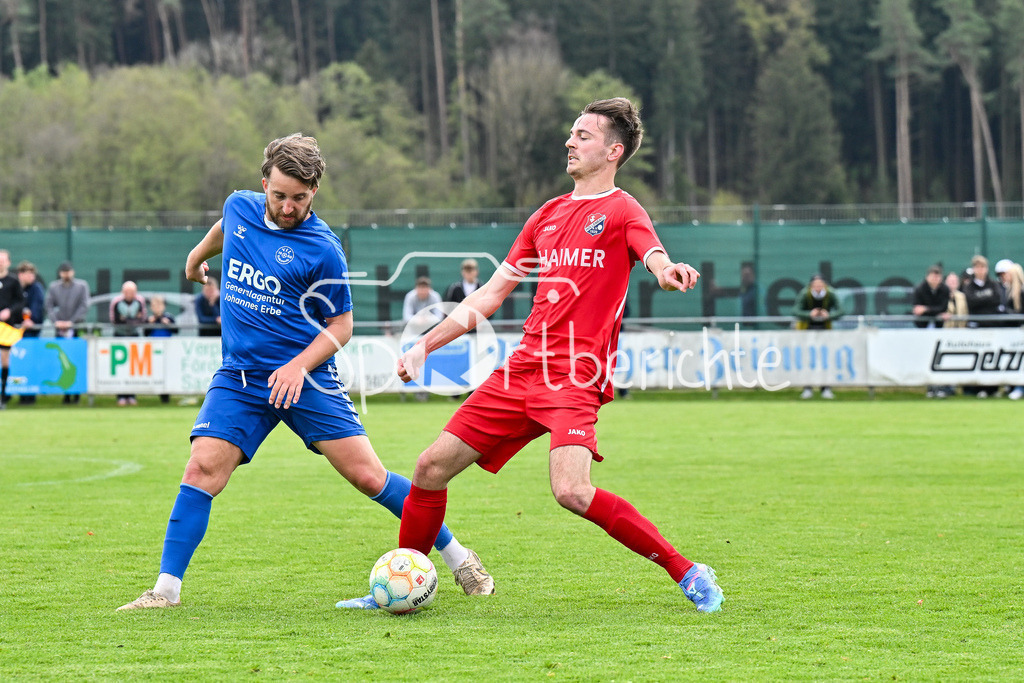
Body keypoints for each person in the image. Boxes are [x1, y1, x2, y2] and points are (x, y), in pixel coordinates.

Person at [348, 99, 723, 613]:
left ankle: (688, 571)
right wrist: (424, 344)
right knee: (430, 468)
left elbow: (652, 254)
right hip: (522, 369)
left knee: (572, 491)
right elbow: (489, 295)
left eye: (584, 135)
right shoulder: (546, 215)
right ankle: (403, 586)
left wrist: (666, 270)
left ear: (613, 151)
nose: (570, 141)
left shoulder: (623, 210)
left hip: (575, 376)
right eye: (571, 133)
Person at [118, 133, 492, 612]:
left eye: (299, 197)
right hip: (241, 378)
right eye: (279, 195)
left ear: (314, 190)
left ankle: (460, 558)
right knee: (201, 469)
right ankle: (164, 592)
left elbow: (343, 326)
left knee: (369, 477)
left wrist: (297, 366)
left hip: (308, 380)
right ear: (264, 184)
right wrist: (195, 259)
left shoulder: (323, 249)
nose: (288, 207)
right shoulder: (240, 207)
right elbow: (224, 228)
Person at [792, 273, 845, 399]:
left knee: (825, 359)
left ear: (824, 285)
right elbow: (795, 311)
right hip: (807, 329)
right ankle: (807, 388)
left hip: (825, 329)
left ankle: (826, 388)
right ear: (811, 285)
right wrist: (810, 314)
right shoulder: (805, 294)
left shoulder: (830, 294)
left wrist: (828, 315)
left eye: (820, 284)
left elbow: (841, 311)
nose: (818, 287)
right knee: (808, 359)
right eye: (815, 285)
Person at [45, 261, 90, 404]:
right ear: (60, 273)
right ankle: (66, 393)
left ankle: (77, 392)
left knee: (77, 360)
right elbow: (49, 306)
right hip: (60, 329)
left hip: (76, 329)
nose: (66, 275)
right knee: (62, 361)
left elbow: (84, 306)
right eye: (64, 272)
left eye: (68, 272)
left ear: (73, 272)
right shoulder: (54, 287)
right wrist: (57, 322)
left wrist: (72, 322)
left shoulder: (81, 286)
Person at [961, 255, 1003, 397]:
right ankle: (979, 388)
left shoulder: (993, 284)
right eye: (978, 267)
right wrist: (986, 298)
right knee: (979, 358)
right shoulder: (969, 286)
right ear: (974, 269)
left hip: (992, 327)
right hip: (977, 328)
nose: (980, 270)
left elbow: (996, 300)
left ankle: (993, 389)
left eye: (983, 267)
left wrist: (981, 299)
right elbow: (971, 302)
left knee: (993, 357)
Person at [911, 265, 951, 398]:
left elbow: (943, 308)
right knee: (927, 358)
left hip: (940, 329)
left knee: (939, 359)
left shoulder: (944, 289)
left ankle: (940, 387)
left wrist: (926, 309)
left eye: (938, 276)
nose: (935, 279)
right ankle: (930, 387)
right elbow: (917, 310)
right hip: (924, 330)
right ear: (928, 277)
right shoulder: (920, 289)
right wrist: (935, 312)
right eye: (933, 276)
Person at [110, 280, 147, 406]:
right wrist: (132, 319)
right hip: (119, 336)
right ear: (123, 292)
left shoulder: (139, 301)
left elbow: (142, 318)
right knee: (120, 368)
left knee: (133, 368)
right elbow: (115, 320)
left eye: (132, 291)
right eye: (127, 291)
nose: (129, 294)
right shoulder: (116, 302)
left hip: (134, 336)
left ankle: (132, 395)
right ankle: (120, 396)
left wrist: (127, 319)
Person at [15, 261, 46, 404]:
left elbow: (37, 308)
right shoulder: (14, 287)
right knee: (16, 363)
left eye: (33, 274)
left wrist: (31, 320)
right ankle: (13, 393)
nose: (32, 277)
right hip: (14, 332)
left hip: (31, 333)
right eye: (28, 274)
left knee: (31, 363)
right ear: (20, 275)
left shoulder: (36, 288)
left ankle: (30, 396)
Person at [994, 259, 1024, 399]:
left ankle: (1019, 388)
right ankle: (1014, 386)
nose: (1005, 277)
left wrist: (1006, 312)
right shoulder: (1009, 291)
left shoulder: (1021, 291)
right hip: (1014, 333)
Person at [0, 248, 25, 408]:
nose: (0, 263)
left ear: (8, 262)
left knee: (5, 360)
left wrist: (9, 311)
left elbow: (21, 302)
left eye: (2, 260)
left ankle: (3, 396)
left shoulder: (13, 281)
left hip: (6, 329)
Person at [146, 295, 178, 404]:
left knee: (167, 372)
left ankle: (166, 397)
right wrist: (149, 324)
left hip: (167, 349)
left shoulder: (168, 318)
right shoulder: (150, 319)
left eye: (159, 305)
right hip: (154, 350)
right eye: (154, 305)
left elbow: (176, 330)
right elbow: (145, 333)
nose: (157, 308)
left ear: (164, 306)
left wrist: (168, 324)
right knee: (157, 371)